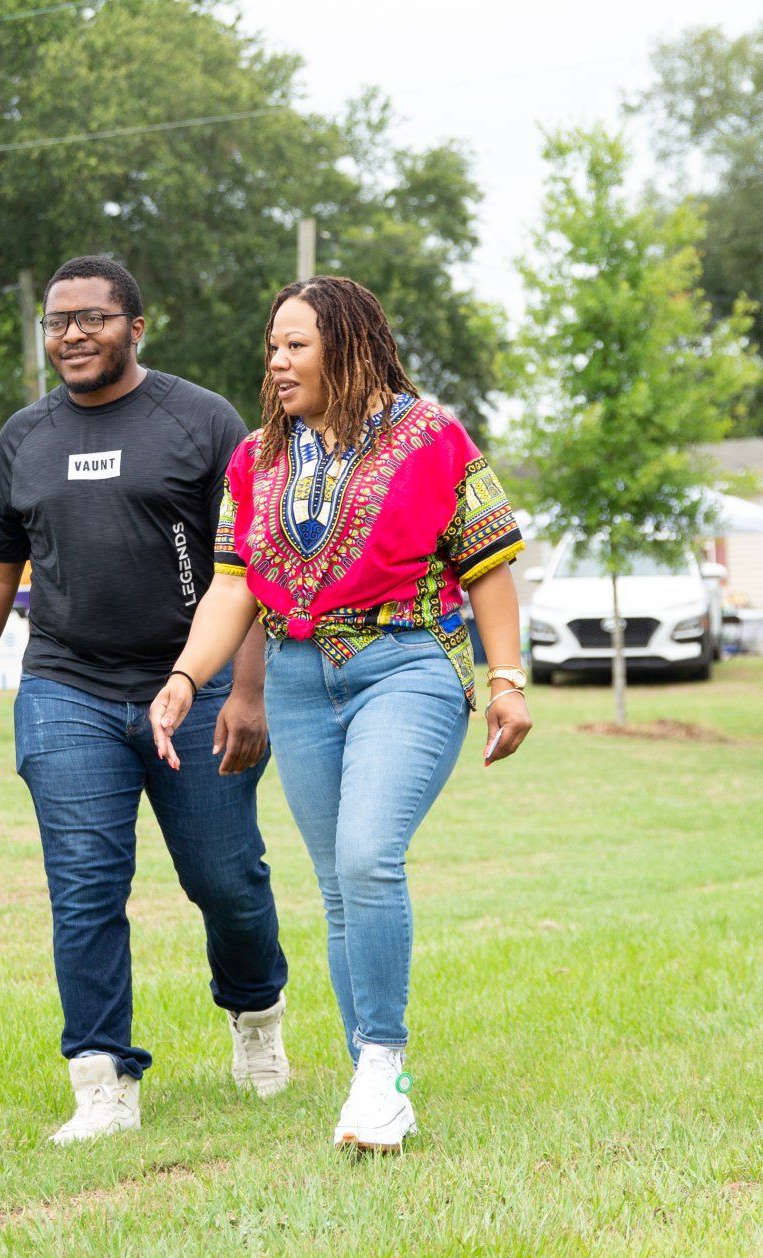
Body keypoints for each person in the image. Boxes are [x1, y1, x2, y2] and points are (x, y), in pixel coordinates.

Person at [149, 276, 532, 1153]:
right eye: (272, 348)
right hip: (295, 674)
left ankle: (382, 1067)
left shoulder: (431, 436)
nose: (277, 363)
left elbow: (487, 566)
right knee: (336, 888)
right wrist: (185, 675)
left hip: (407, 663)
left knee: (368, 855)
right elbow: (236, 583)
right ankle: (370, 1071)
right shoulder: (257, 459)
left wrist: (506, 680)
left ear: (350, 346)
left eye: (296, 346)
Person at [0, 254, 289, 1145]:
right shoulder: (25, 437)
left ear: (136, 326)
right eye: (57, 322)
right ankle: (101, 1076)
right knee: (86, 885)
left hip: (196, 687)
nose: (72, 335)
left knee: (225, 879)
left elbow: (247, 567)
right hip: (67, 686)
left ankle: (255, 1016)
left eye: (92, 318)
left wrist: (246, 690)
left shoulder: (202, 421)